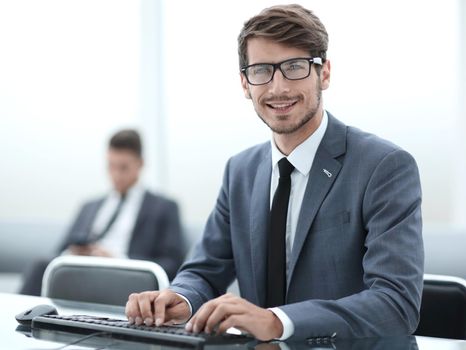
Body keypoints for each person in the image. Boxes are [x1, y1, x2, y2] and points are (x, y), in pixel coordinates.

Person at [125, 4, 423, 342]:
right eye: (261, 70)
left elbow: (396, 303)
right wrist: (180, 299)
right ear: (244, 83)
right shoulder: (240, 171)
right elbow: (205, 270)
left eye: (294, 67)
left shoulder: (384, 166)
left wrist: (278, 322)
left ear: (324, 73)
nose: (277, 87)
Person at [20, 129, 186, 295]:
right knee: (41, 265)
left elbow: (172, 263)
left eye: (123, 168)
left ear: (140, 164)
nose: (116, 175)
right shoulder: (89, 206)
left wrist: (118, 259)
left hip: (124, 276)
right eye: (111, 166)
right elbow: (59, 251)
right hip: (80, 272)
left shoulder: (164, 207)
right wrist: (75, 252)